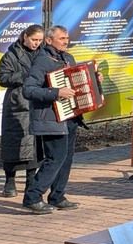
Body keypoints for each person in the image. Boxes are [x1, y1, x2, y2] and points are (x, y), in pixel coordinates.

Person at [21, 26, 86, 214]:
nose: (66, 41)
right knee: (55, 158)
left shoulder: (68, 58)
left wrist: (93, 80)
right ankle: (32, 197)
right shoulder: (42, 61)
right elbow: (29, 90)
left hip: (70, 116)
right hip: (49, 117)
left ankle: (57, 195)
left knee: (66, 159)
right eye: (61, 38)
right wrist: (56, 93)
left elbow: (77, 85)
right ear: (49, 40)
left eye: (67, 38)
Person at [0, 24, 44, 198]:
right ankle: (10, 181)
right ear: (25, 36)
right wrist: (24, 76)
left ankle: (31, 182)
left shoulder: (43, 54)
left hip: (36, 103)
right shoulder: (11, 55)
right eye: (33, 40)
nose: (36, 44)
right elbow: (2, 78)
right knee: (14, 143)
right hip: (16, 105)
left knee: (34, 145)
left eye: (39, 40)